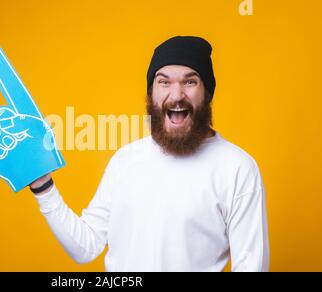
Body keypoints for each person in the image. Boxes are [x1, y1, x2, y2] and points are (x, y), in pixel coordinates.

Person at [28, 36, 269, 272]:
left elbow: (251, 265)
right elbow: (86, 247)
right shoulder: (125, 160)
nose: (176, 95)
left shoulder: (237, 168)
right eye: (164, 82)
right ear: (151, 94)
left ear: (207, 93)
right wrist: (43, 186)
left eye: (190, 82)